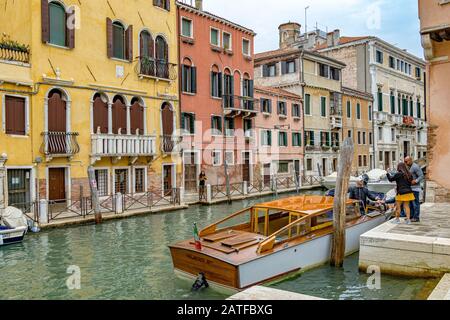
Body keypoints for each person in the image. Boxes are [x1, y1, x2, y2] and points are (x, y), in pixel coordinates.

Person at [405, 156, 424, 223]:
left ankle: (416, 217)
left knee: (415, 203)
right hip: (410, 188)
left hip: (415, 188)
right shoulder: (408, 167)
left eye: (406, 161)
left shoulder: (415, 167)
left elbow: (421, 176)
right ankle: (410, 216)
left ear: (410, 160)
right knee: (410, 203)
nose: (405, 163)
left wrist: (415, 181)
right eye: (405, 161)